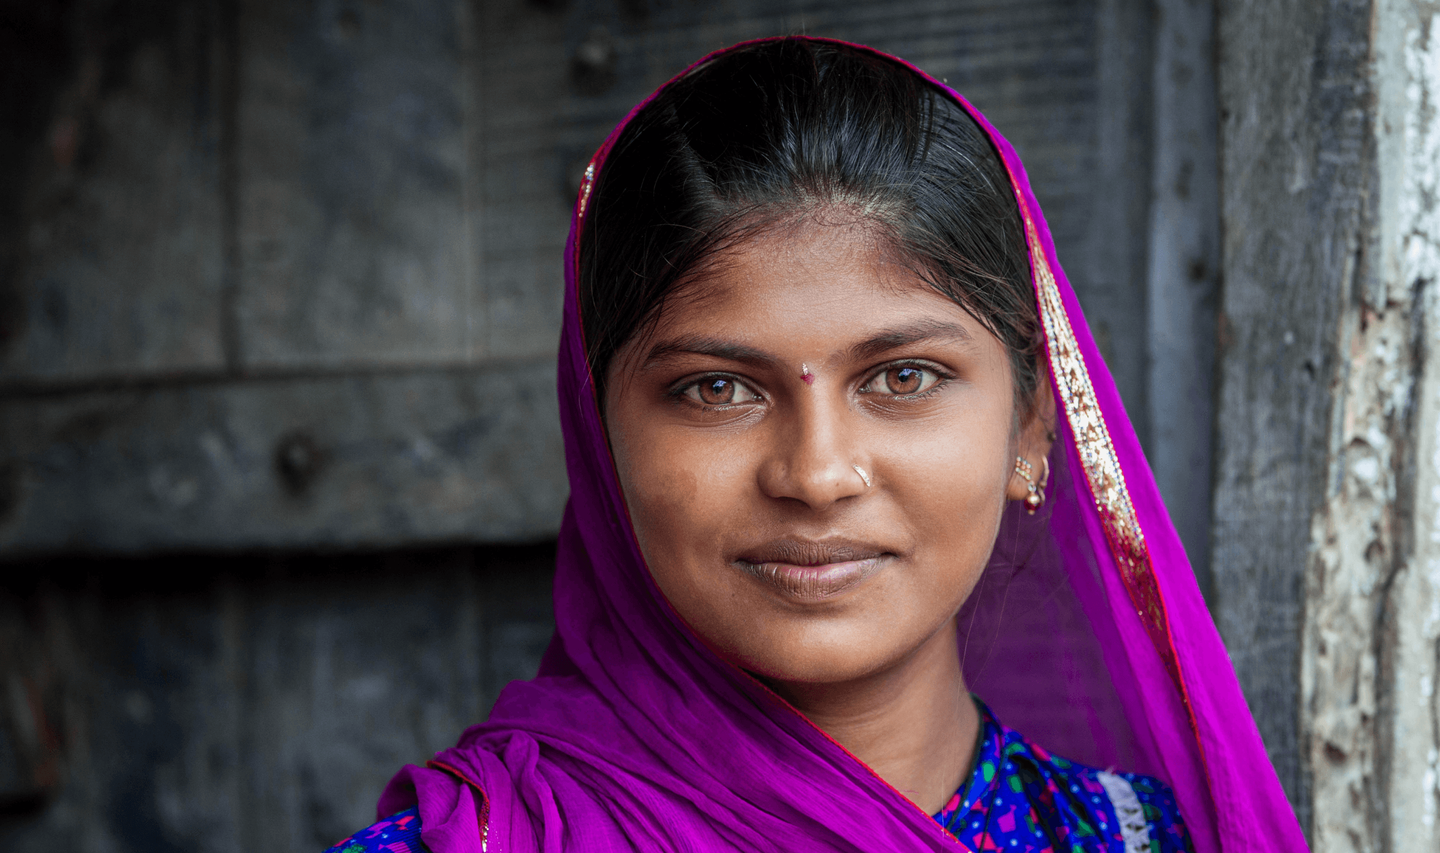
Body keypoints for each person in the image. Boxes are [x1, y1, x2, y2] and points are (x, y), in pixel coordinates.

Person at [324, 37, 1306, 853]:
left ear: (1032, 430)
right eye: (716, 388)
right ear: (601, 436)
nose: (817, 473)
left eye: (902, 378)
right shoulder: (487, 839)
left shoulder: (1145, 843)